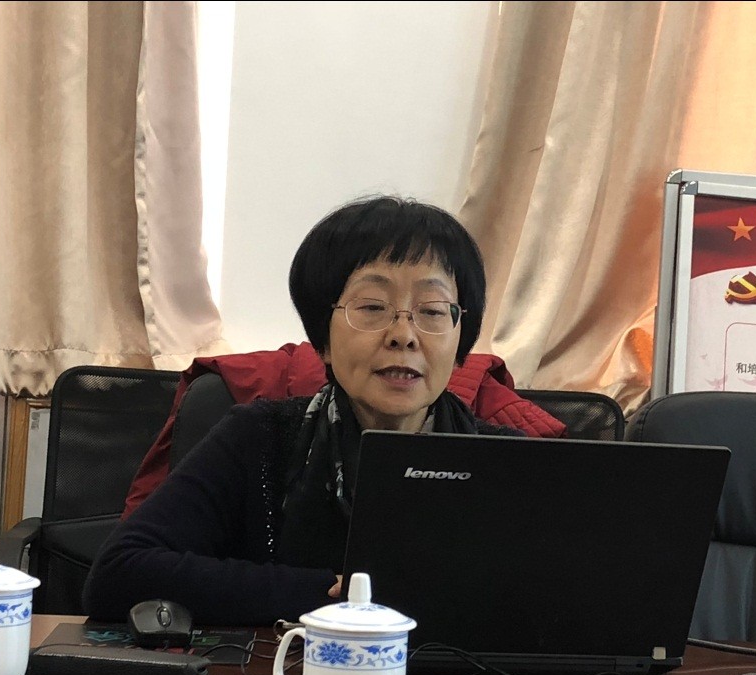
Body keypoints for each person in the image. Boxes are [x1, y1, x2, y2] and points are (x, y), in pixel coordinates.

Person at [82, 196, 522, 625]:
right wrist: (328, 596)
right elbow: (119, 574)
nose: (404, 335)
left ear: (460, 344)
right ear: (322, 341)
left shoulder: (511, 462)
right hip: (286, 670)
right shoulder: (260, 438)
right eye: (373, 307)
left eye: (432, 311)